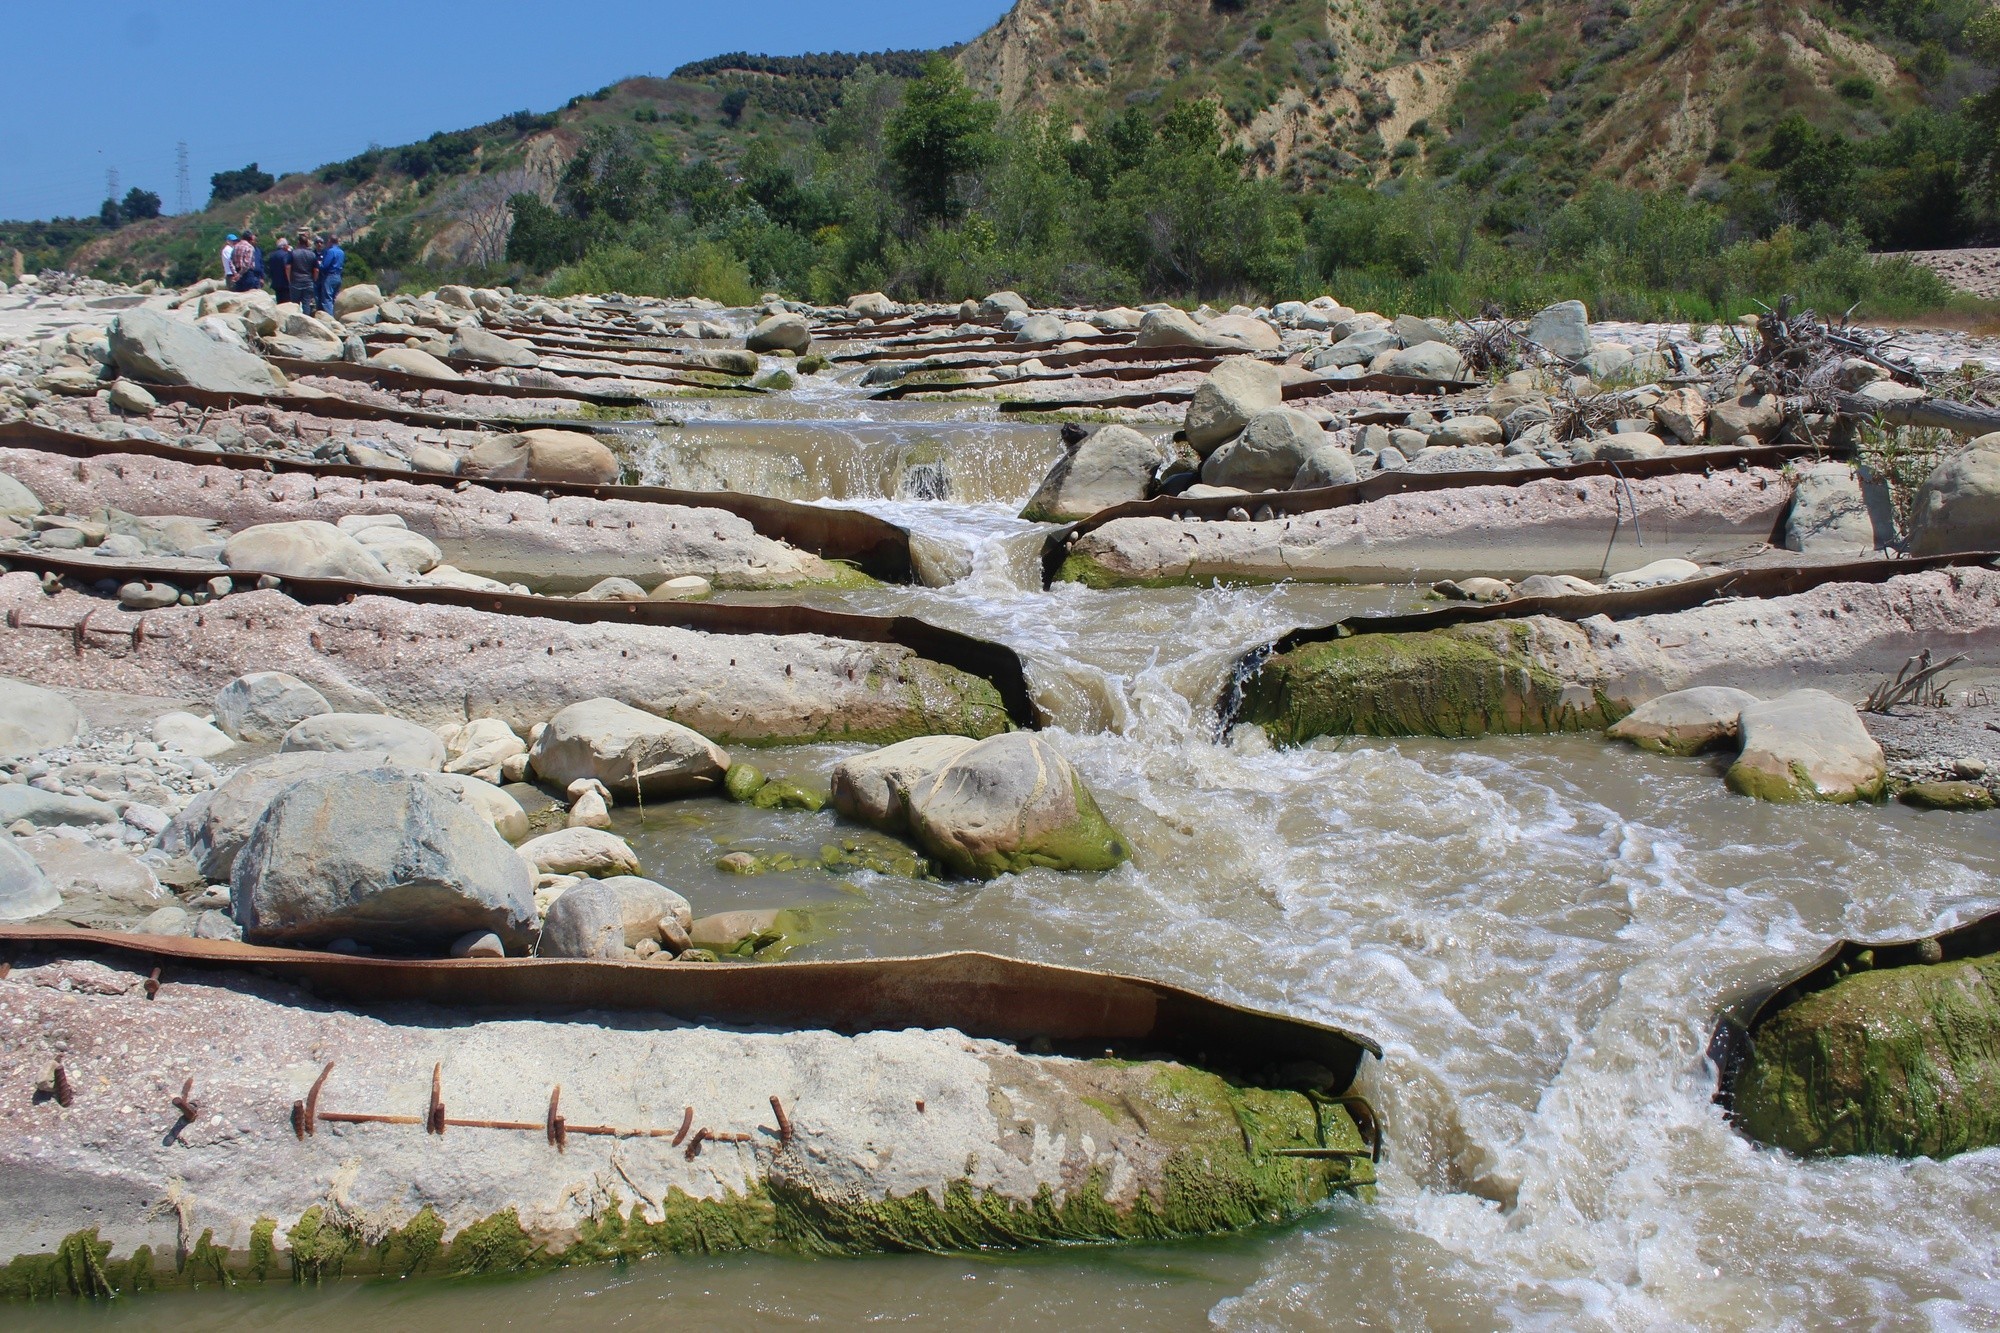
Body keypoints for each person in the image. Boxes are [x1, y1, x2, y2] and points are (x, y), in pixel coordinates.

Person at [288, 237, 320, 315]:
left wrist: (289, 279)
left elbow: (287, 267)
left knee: (295, 304)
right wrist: (314, 279)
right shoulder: (312, 254)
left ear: (299, 242)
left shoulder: (293, 253)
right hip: (308, 281)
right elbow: (316, 270)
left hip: (295, 281)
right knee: (306, 304)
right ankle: (306, 320)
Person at [316, 233, 344, 318]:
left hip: (330, 276)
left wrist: (318, 264)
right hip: (338, 276)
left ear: (330, 241)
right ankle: (337, 315)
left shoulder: (331, 251)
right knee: (335, 298)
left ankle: (331, 318)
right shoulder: (341, 252)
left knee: (327, 299)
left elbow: (325, 266)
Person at [268, 237, 292, 304]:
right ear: (284, 246)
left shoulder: (272, 255)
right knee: (287, 303)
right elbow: (287, 267)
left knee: (279, 302)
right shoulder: (286, 255)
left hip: (276, 283)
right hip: (285, 283)